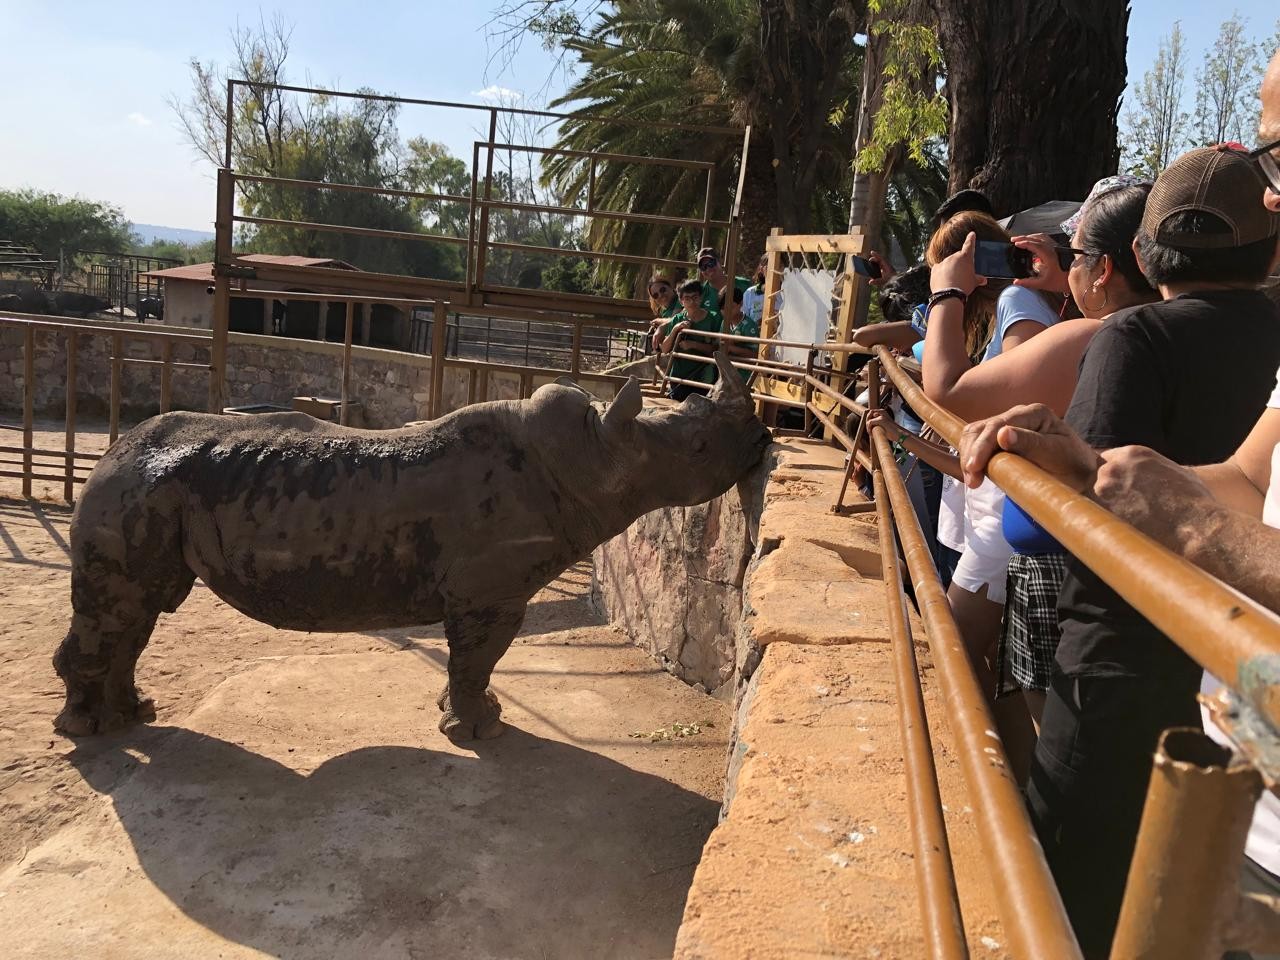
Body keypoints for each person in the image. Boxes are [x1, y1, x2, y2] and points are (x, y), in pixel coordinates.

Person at [958, 140, 1280, 957]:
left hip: (1117, 668)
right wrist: (1087, 461)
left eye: (1277, 156)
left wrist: (1157, 511)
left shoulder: (1135, 336)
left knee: (1067, 899)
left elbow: (1057, 529)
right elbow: (1249, 477)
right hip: (1220, 712)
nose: (1273, 193)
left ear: (1136, 254)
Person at [921, 211, 1062, 701]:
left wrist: (947, 294)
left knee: (955, 651)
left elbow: (1014, 401)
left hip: (1008, 508)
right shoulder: (1019, 303)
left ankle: (990, 747)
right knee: (986, 660)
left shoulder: (1016, 300)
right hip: (999, 506)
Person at [657, 279, 724, 400]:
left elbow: (716, 349)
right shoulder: (677, 319)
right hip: (679, 377)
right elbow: (665, 349)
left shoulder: (714, 319)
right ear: (681, 301)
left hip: (703, 377)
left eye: (695, 297)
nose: (692, 302)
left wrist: (693, 344)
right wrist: (675, 330)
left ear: (701, 298)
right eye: (687, 298)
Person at [695, 247, 750, 321]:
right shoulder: (700, 294)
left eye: (711, 263)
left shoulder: (744, 285)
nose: (708, 269)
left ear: (720, 261)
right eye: (703, 267)